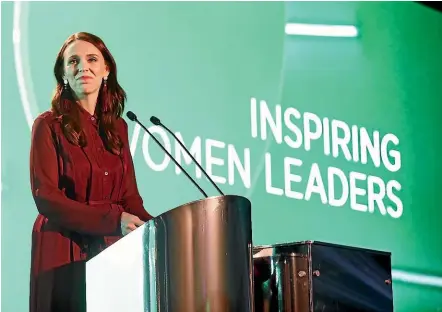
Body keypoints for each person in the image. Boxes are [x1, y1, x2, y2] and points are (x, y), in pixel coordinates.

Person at [29, 32, 154, 312]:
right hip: (62, 249)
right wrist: (112, 220)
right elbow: (46, 196)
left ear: (106, 69)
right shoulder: (47, 125)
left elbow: (130, 198)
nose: (83, 67)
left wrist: (162, 231)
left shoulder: (118, 128)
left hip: (110, 248)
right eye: (73, 61)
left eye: (92, 59)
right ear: (63, 73)